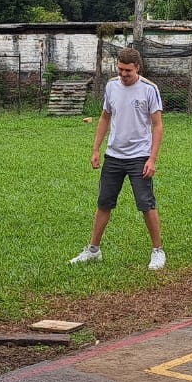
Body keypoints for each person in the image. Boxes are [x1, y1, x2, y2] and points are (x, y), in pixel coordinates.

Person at [70, 46, 167, 270]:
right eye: (120, 69)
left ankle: (158, 251)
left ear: (138, 68)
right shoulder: (112, 86)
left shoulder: (149, 89)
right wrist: (96, 149)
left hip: (139, 157)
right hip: (113, 155)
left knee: (146, 204)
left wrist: (152, 159)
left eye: (128, 71)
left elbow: (158, 125)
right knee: (104, 203)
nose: (123, 75)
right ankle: (93, 250)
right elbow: (105, 117)